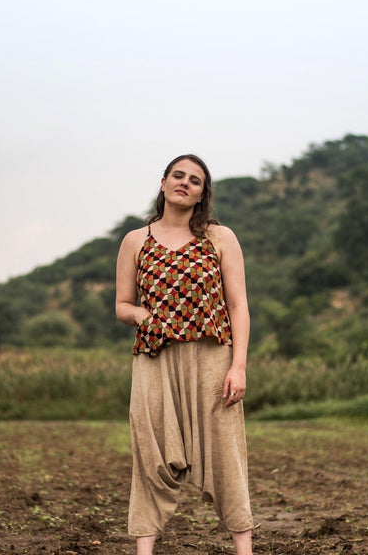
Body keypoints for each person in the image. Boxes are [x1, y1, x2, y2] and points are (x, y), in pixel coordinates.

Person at [115, 154, 254, 555]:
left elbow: (238, 305)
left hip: (212, 359)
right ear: (163, 183)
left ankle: (245, 551)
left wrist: (239, 365)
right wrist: (144, 314)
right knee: (151, 455)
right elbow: (122, 305)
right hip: (155, 361)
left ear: (201, 195)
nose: (185, 183)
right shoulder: (135, 241)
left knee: (226, 454)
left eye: (195, 181)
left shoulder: (220, 237)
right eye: (178, 176)